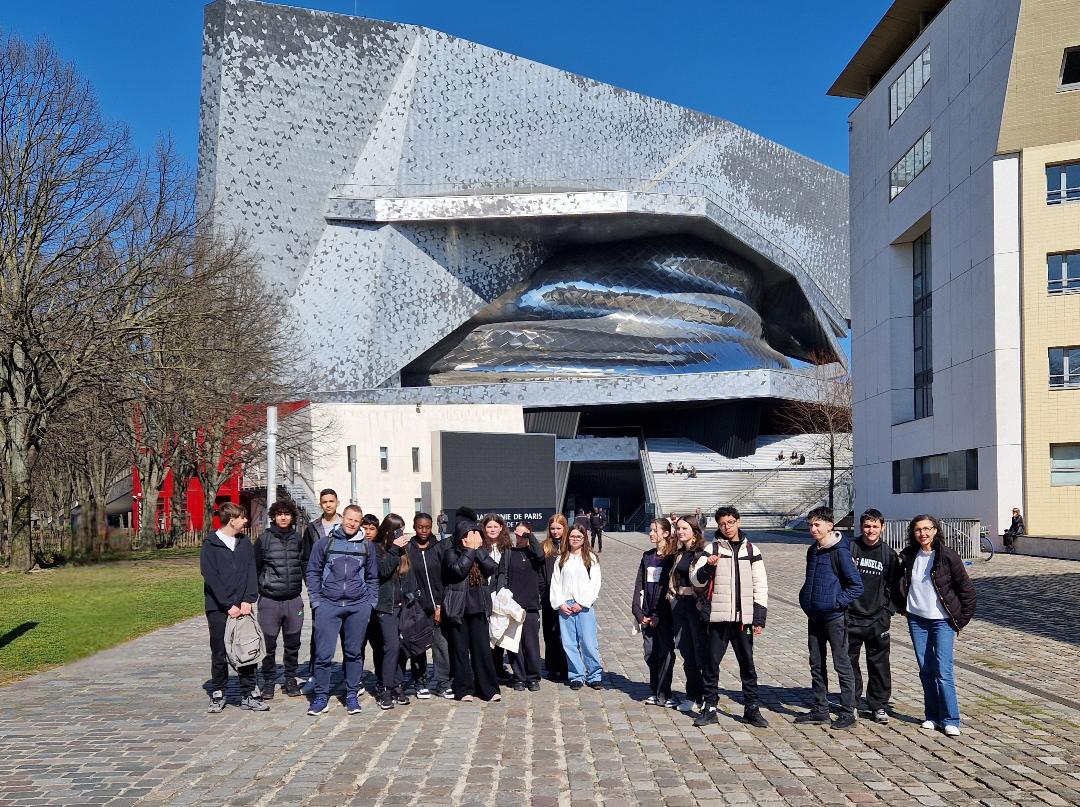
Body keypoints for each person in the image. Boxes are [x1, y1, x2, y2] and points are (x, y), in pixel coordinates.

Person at [690, 506, 769, 728]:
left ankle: (751, 708)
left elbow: (760, 585)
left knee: (748, 664)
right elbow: (696, 580)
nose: (727, 527)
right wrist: (708, 567)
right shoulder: (712, 548)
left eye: (731, 522)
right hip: (718, 618)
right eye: (723, 524)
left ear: (738, 522)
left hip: (743, 620)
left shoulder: (752, 550)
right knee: (711, 664)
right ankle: (710, 707)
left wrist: (759, 618)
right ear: (718, 525)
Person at [898, 514, 977, 736]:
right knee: (926, 670)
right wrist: (903, 607)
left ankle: (951, 719)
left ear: (935, 530)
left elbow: (967, 591)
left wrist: (959, 620)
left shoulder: (947, 556)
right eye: (918, 530)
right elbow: (899, 584)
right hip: (917, 619)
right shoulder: (908, 555)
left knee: (943, 670)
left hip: (942, 621)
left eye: (927, 529)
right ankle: (932, 715)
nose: (922, 533)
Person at [305, 504, 380, 716]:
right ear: (342, 518)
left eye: (356, 521)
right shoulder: (324, 543)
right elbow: (312, 572)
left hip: (357, 607)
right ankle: (321, 697)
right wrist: (316, 601)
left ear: (360, 522)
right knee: (323, 655)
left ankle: (352, 695)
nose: (352, 524)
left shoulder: (367, 546)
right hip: (328, 605)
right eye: (349, 519)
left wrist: (369, 604)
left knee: (354, 653)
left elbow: (372, 577)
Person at [795, 506, 863, 729]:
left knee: (842, 664)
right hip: (814, 616)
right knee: (816, 663)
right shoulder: (813, 550)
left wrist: (836, 603)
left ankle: (848, 711)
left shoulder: (840, 551)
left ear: (830, 526)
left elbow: (856, 586)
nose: (813, 529)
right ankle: (820, 709)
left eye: (817, 525)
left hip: (834, 618)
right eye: (810, 525)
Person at [201, 502, 267, 713]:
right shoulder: (210, 544)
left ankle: (249, 692)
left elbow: (251, 571)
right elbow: (210, 576)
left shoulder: (244, 542)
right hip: (219, 608)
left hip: (244, 607)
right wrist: (228, 604)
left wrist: (248, 600)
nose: (246, 520)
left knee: (247, 648)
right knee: (219, 650)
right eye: (242, 517)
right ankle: (219, 692)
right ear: (232, 520)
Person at [847, 508, 899, 724]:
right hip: (850, 617)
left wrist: (887, 612)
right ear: (861, 527)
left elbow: (896, 587)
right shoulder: (849, 549)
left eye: (875, 526)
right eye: (867, 526)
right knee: (849, 663)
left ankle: (878, 705)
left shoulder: (889, 555)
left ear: (882, 527)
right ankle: (851, 702)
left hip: (877, 619)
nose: (870, 530)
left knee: (879, 664)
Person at [442, 516, 502, 701]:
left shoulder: (481, 552)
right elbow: (458, 570)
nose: (476, 538)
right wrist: (470, 550)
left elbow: (491, 568)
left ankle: (488, 689)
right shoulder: (451, 553)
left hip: (479, 607)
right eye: (471, 534)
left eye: (478, 534)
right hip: (459, 609)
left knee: (482, 650)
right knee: (460, 651)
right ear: (462, 537)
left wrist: (479, 550)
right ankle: (464, 689)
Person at [253, 500, 307, 700]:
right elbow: (255, 568)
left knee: (293, 643)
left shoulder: (298, 539)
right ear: (273, 517)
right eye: (279, 514)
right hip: (270, 600)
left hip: (293, 599)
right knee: (268, 645)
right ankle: (268, 680)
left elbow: (304, 564)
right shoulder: (263, 540)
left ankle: (290, 679)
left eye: (287, 514)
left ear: (292, 517)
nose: (283, 517)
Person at [549, 523, 603, 690]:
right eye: (572, 536)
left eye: (579, 537)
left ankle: (594, 675)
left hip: (584, 606)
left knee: (588, 642)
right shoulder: (561, 559)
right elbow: (555, 583)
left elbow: (595, 583)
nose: (575, 539)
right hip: (566, 605)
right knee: (569, 643)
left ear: (584, 539)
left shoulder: (590, 559)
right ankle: (576, 675)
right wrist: (560, 603)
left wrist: (583, 602)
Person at [405, 512, 452, 699]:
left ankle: (443, 683)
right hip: (416, 608)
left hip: (438, 606)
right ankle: (421, 682)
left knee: (441, 646)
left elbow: (445, 578)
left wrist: (440, 605)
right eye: (420, 527)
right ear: (414, 527)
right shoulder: (408, 548)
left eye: (427, 527)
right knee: (418, 646)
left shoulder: (439, 547)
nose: (424, 531)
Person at [371, 513, 415, 710]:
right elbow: (383, 571)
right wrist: (395, 549)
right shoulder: (376, 548)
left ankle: (397, 685)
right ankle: (386, 688)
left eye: (402, 530)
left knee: (402, 647)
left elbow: (409, 575)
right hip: (386, 606)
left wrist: (413, 598)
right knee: (392, 646)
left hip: (403, 605)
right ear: (389, 531)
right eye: (397, 531)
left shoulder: (404, 549)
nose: (401, 534)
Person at [632, 517, 676, 708]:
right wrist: (638, 612)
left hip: (664, 615)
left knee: (665, 653)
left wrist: (658, 615)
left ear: (665, 533)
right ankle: (655, 689)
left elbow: (668, 588)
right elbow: (639, 585)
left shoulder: (672, 557)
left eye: (654, 530)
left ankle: (664, 693)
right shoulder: (647, 556)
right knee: (650, 653)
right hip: (646, 614)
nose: (650, 533)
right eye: (650, 530)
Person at [496, 520, 546, 691]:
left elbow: (540, 556)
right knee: (514, 643)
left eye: (524, 534)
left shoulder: (534, 553)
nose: (520, 537)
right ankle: (519, 677)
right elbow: (503, 575)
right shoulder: (509, 552)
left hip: (531, 605)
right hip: (513, 606)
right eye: (517, 533)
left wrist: (529, 537)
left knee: (531, 644)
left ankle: (533, 678)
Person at [301, 489, 341, 685]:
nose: (328, 505)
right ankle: (315, 674)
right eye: (324, 502)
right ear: (320, 504)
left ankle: (352, 676)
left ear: (337, 502)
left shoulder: (348, 524)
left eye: (331, 501)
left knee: (349, 634)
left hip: (347, 588)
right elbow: (306, 560)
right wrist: (313, 586)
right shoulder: (312, 528)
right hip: (322, 590)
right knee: (319, 632)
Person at [668, 516, 707, 714]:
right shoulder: (679, 552)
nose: (680, 532)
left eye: (684, 528)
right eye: (678, 528)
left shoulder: (702, 553)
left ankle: (706, 696)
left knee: (700, 652)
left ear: (694, 530)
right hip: (679, 605)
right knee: (686, 652)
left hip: (696, 606)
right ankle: (692, 695)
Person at [481, 514, 515, 683]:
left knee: (499, 631)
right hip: (483, 592)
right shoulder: (480, 546)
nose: (492, 530)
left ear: (501, 528)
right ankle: (486, 669)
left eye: (496, 526)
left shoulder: (507, 547)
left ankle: (498, 667)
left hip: (501, 594)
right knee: (485, 632)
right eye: (489, 527)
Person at [541, 515, 570, 681]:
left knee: (565, 633)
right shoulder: (544, 547)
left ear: (564, 528)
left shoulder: (570, 546)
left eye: (558, 528)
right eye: (552, 528)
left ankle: (565, 666)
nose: (555, 532)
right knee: (550, 632)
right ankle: (552, 666)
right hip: (548, 596)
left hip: (567, 597)